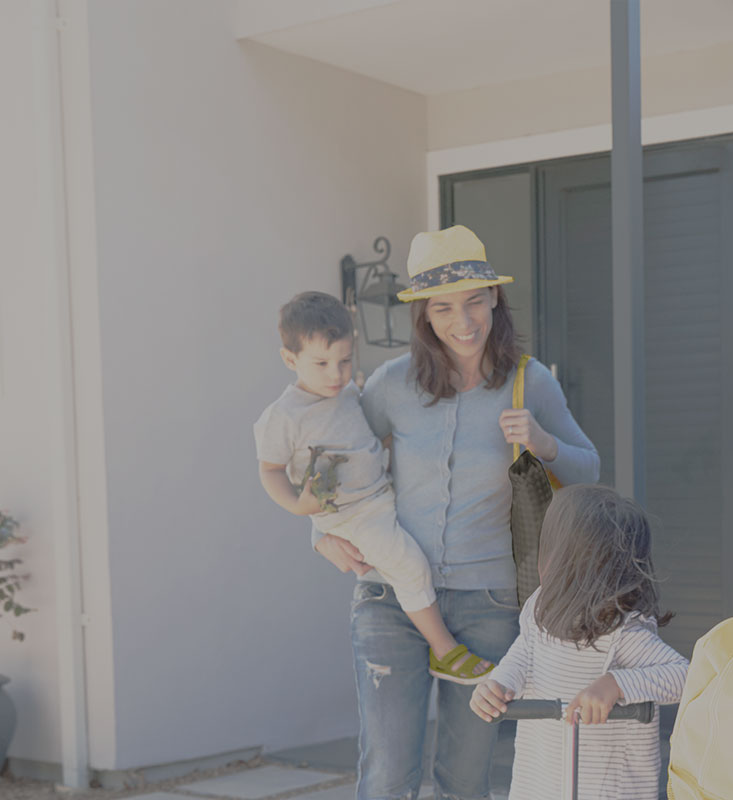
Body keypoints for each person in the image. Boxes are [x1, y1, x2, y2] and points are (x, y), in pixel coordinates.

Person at [314, 224, 600, 800]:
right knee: (389, 773)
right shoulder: (392, 384)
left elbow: (588, 469)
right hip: (388, 598)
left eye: (474, 301)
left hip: (489, 604)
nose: (462, 320)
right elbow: (336, 465)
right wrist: (319, 531)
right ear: (424, 313)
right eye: (443, 307)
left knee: (465, 778)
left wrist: (544, 442)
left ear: (495, 297)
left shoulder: (529, 381)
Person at [256, 291, 496, 685]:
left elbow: (368, 438)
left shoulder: (349, 393)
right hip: (351, 515)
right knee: (409, 566)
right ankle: (445, 651)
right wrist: (302, 509)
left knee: (415, 552)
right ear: (290, 359)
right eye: (321, 364)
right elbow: (270, 470)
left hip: (382, 495)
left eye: (345, 360)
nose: (336, 374)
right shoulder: (284, 417)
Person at [469, 485, 689, 800]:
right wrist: (500, 683)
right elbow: (525, 651)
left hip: (609, 785)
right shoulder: (541, 604)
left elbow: (684, 676)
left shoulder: (624, 629)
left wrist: (616, 683)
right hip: (542, 774)